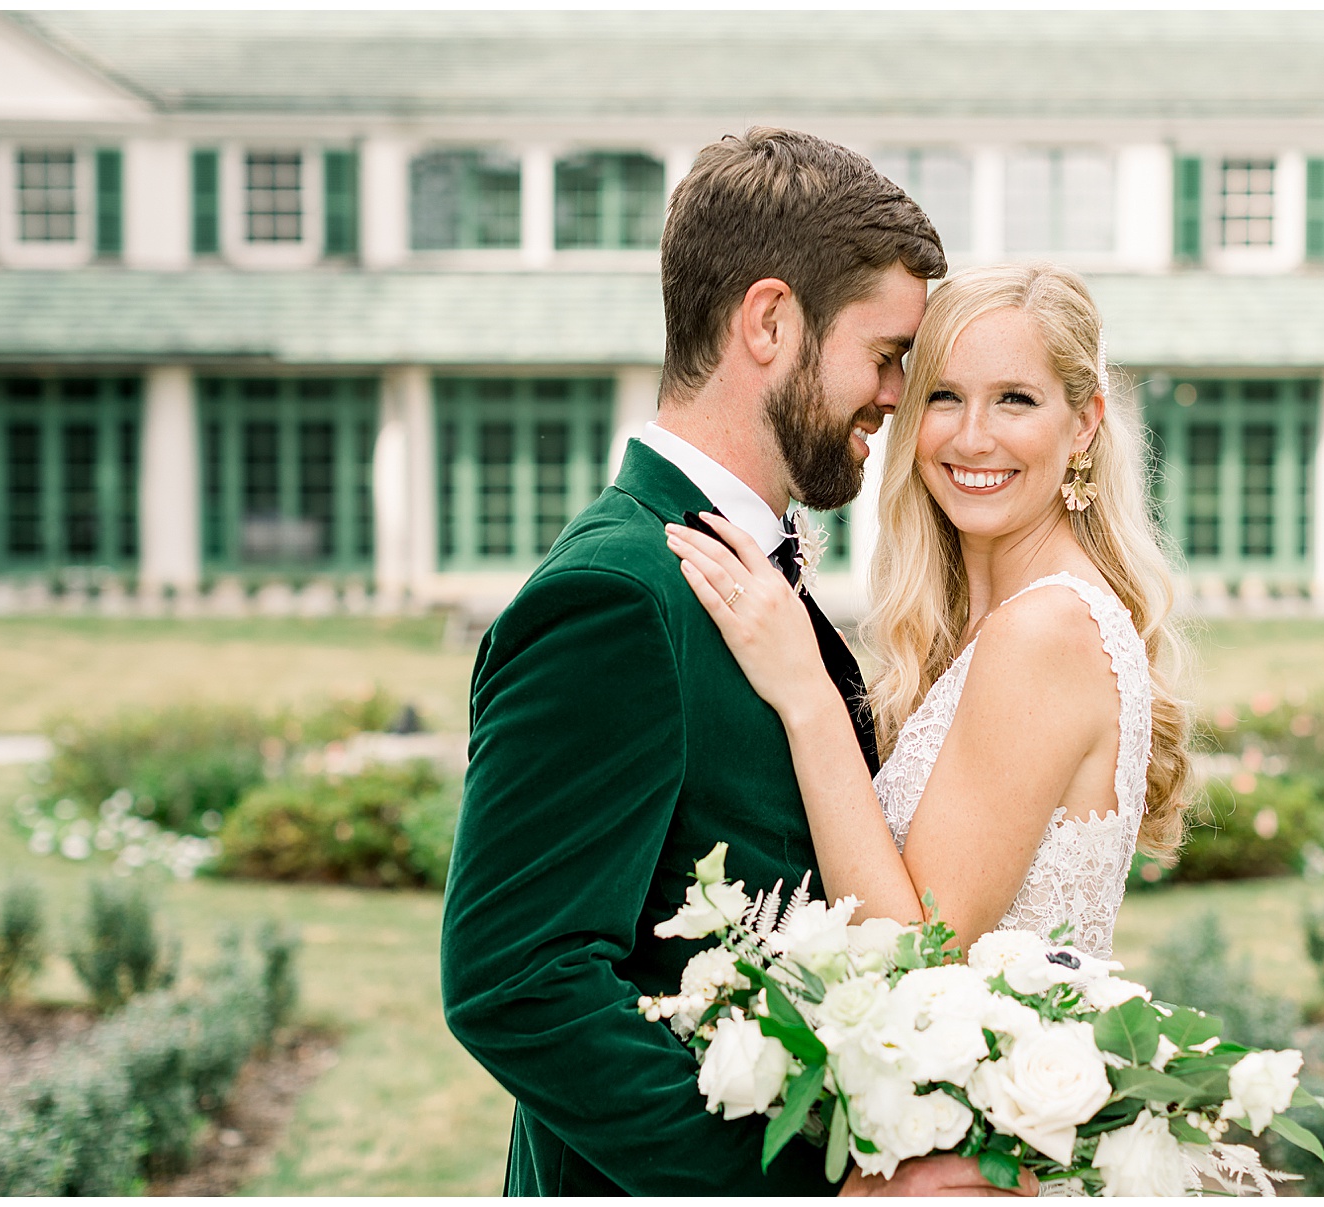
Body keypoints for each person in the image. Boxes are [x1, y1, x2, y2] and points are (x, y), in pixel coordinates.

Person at [441, 128, 1033, 1197]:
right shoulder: (617, 597)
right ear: (770, 322)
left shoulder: (743, 568)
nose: (898, 395)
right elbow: (516, 978)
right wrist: (801, 1187)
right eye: (885, 352)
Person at [665, 263, 1195, 968]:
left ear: (1084, 424)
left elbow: (920, 955)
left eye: (1014, 400)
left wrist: (806, 694)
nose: (972, 438)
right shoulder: (985, 621)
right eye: (944, 397)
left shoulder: (1046, 629)